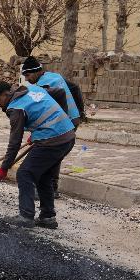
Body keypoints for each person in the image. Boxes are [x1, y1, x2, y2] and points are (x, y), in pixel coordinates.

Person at [0, 81, 76, 228]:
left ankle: (26, 216)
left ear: (6, 94)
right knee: (44, 175)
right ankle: (47, 217)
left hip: (52, 140)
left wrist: (4, 168)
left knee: (25, 173)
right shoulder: (32, 88)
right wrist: (50, 125)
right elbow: (60, 93)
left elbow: (15, 142)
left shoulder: (15, 108)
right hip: (68, 135)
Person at [21, 56, 86, 197]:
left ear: (36, 72)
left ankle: (48, 188)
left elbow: (43, 111)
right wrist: (80, 112)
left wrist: (34, 133)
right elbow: (74, 88)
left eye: (27, 75)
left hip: (63, 123)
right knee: (55, 155)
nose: (26, 79)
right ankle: (52, 188)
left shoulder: (45, 85)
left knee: (49, 154)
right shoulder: (54, 76)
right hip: (71, 119)